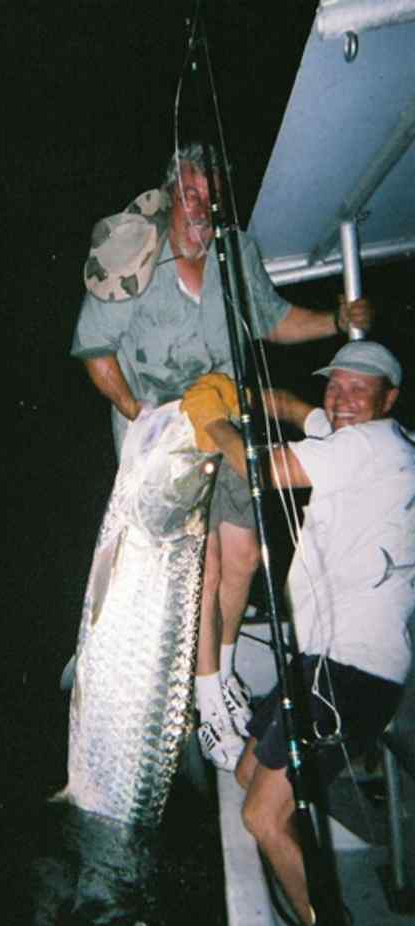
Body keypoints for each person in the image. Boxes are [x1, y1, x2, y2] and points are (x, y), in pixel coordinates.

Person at [71, 142, 374, 770]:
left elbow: (273, 320)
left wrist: (337, 322)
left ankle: (224, 675)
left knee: (242, 551)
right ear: (170, 191)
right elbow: (96, 353)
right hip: (162, 440)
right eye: (190, 193)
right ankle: (208, 707)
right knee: (195, 561)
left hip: (225, 419)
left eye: (209, 194)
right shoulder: (135, 252)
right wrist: (139, 416)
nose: (201, 206)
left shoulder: (237, 254)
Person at [185, 342, 415, 926]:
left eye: (358, 389)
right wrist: (247, 397)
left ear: (389, 399)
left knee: (261, 816)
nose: (341, 399)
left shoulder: (372, 445)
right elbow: (294, 406)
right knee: (243, 774)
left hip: (350, 672)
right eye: (334, 385)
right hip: (325, 664)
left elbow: (267, 472)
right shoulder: (359, 435)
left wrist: (212, 420)